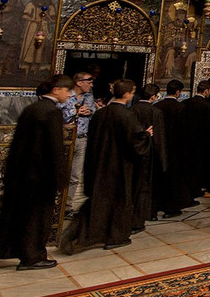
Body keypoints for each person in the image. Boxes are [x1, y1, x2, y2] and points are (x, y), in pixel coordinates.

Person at [0, 74, 74, 270]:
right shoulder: (52, 112)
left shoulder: (32, 108)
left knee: (21, 213)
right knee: (37, 218)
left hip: (23, 172)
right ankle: (32, 256)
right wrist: (61, 176)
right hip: (41, 175)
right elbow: (54, 148)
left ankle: (5, 248)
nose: (69, 95)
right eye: (67, 90)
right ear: (56, 90)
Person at [59, 79, 152, 254]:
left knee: (98, 200)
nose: (132, 96)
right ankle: (115, 236)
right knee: (119, 201)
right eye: (131, 93)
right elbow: (135, 142)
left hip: (98, 163)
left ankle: (82, 235)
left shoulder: (101, 114)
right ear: (126, 94)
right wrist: (146, 135)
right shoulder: (126, 115)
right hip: (118, 166)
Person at [154, 79, 195, 216]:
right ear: (178, 92)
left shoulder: (157, 106)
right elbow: (185, 131)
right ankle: (172, 206)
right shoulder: (181, 108)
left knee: (160, 176)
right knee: (174, 179)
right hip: (176, 148)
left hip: (159, 146)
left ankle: (158, 203)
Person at [130, 83, 167, 230]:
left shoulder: (131, 110)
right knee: (147, 186)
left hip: (133, 153)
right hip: (149, 153)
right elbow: (160, 138)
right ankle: (146, 213)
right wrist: (162, 159)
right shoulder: (156, 112)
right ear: (153, 97)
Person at [59, 71, 95, 213]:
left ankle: (67, 206)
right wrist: (75, 112)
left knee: (75, 175)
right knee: (61, 171)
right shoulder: (66, 95)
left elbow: (92, 112)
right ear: (79, 83)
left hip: (82, 138)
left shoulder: (89, 97)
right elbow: (58, 114)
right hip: (66, 138)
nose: (91, 85)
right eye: (89, 82)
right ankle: (56, 204)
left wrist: (90, 112)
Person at [183, 79, 210, 197]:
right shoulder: (208, 106)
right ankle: (195, 190)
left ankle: (186, 188)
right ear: (206, 91)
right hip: (201, 142)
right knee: (198, 167)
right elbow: (209, 126)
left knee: (187, 166)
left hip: (186, 140)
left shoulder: (186, 103)